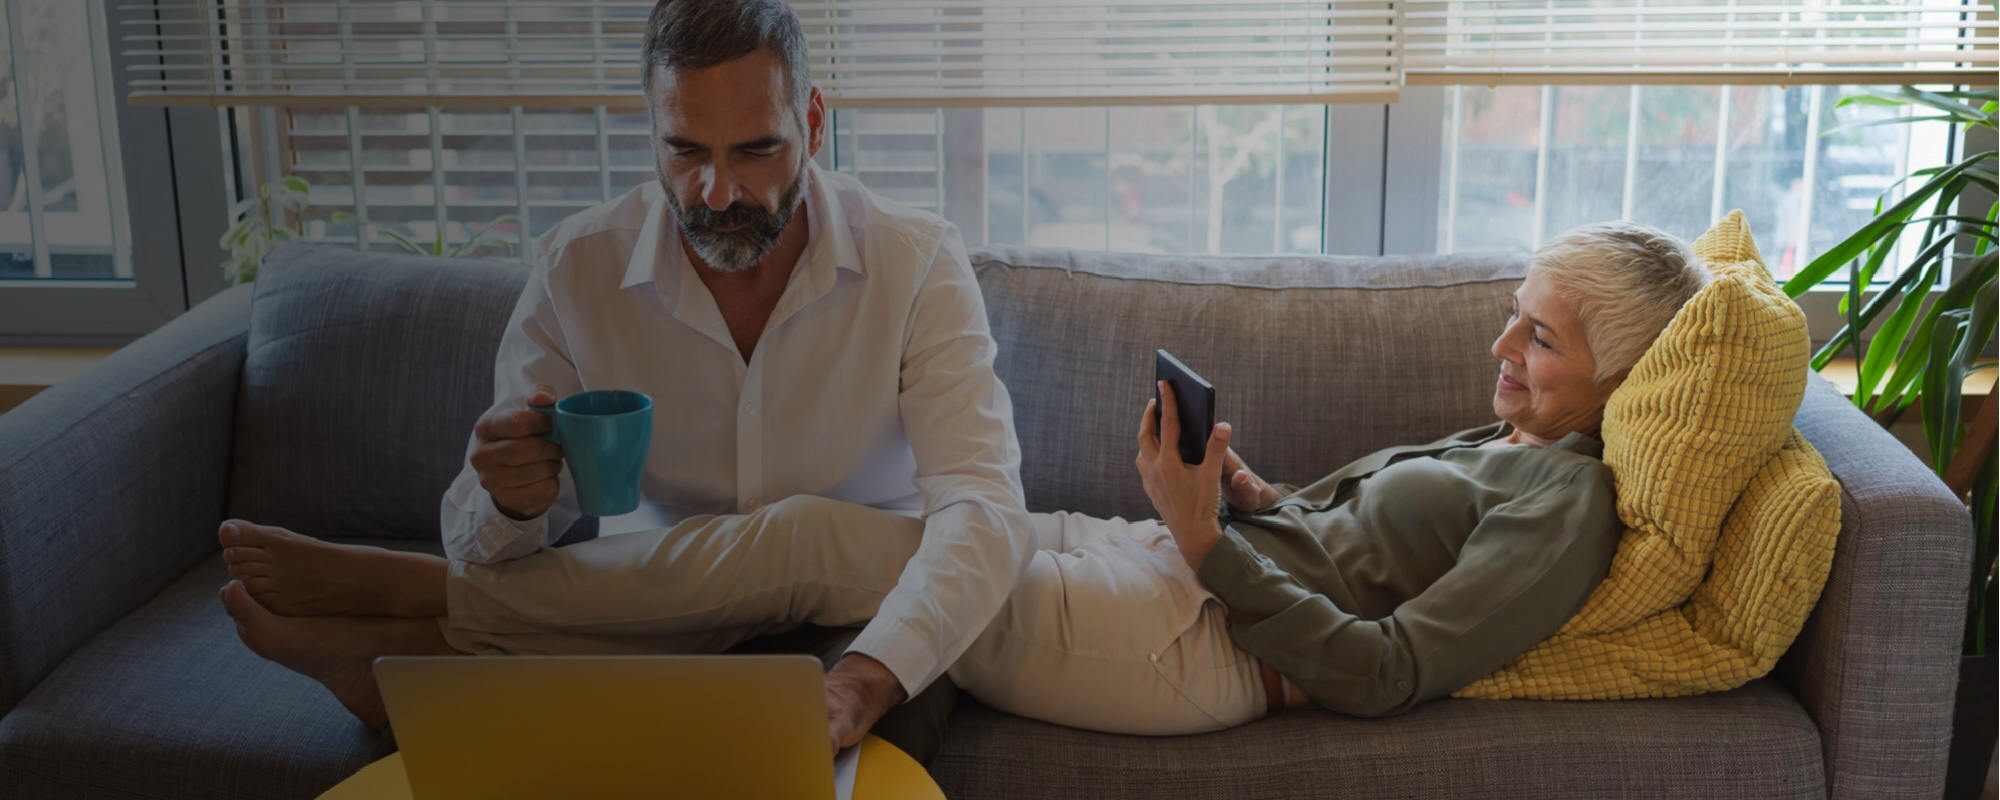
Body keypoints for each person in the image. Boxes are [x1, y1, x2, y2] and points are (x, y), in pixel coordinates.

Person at [222, 220, 1709, 737]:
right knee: (852, 532)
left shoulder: (1564, 507)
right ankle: (447, 617)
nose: (1505, 342)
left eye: (1546, 335)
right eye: (1514, 312)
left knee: (813, 544)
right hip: (1173, 568)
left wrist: (1209, 548)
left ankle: (439, 612)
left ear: (1627, 377)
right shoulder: (1502, 447)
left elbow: (1385, 669)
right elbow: (1347, 543)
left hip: (1197, 648)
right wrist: (1242, 499)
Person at [216, 0, 1036, 753]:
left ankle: (423, 616)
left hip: (859, 618)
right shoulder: (580, 271)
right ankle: (421, 655)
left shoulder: (916, 260)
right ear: (650, 131)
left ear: (813, 122)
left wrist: (867, 676)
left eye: (756, 150)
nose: (717, 192)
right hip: (642, 609)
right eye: (685, 151)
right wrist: (511, 497)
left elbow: (983, 502)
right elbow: (488, 537)